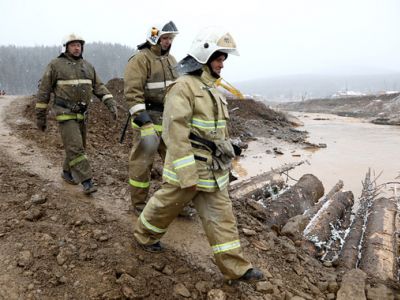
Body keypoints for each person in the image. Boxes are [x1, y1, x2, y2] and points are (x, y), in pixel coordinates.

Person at [133, 27, 264, 282]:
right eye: (218, 59)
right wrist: (186, 172)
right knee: (164, 207)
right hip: (189, 169)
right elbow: (175, 132)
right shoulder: (183, 87)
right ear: (204, 56)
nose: (222, 65)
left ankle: (236, 268)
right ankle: (144, 236)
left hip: (213, 171)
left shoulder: (212, 90)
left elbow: (214, 134)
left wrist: (229, 149)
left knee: (223, 218)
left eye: (223, 60)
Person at [35, 33, 117, 195]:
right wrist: (40, 116)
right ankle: (87, 182)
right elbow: (44, 91)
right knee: (76, 148)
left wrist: (110, 103)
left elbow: (99, 87)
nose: (77, 47)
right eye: (73, 45)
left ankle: (67, 172)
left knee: (77, 147)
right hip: (65, 114)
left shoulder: (87, 66)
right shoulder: (55, 65)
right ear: (66, 47)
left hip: (82, 115)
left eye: (79, 44)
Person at [124, 21, 179, 214]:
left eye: (170, 38)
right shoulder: (140, 60)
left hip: (169, 119)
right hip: (147, 119)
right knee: (142, 163)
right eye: (164, 38)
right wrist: (143, 120)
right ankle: (139, 205)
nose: (167, 42)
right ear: (154, 38)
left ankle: (177, 204)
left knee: (176, 162)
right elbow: (132, 93)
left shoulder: (172, 60)